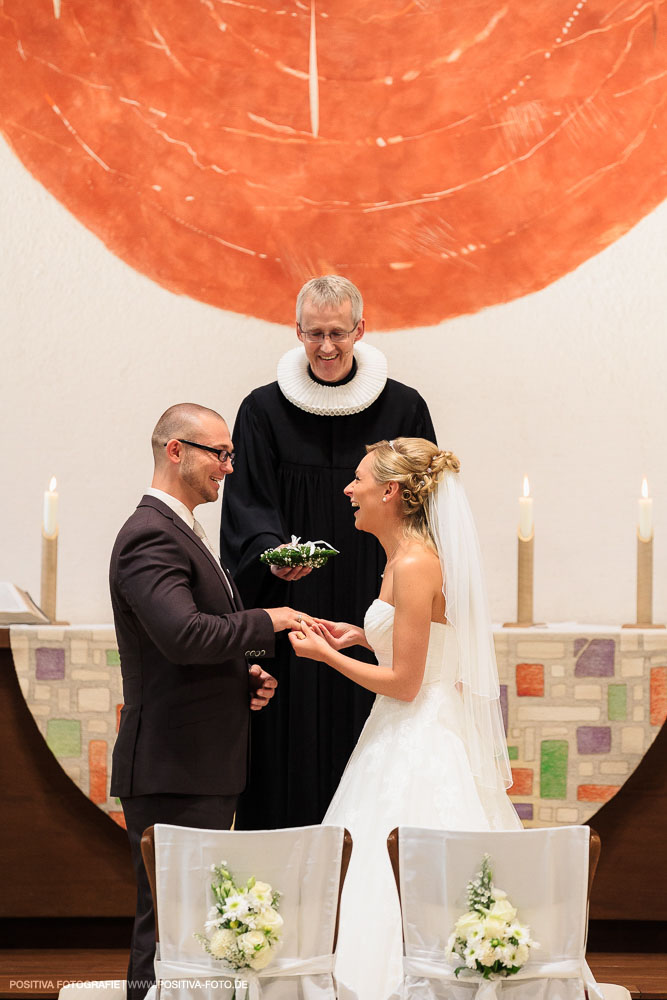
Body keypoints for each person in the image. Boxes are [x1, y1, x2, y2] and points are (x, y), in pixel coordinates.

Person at [289, 438, 522, 1000]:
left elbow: (408, 683)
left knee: (396, 858)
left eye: (359, 480)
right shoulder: (401, 558)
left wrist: (328, 656)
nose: (349, 490)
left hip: (421, 734)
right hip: (399, 726)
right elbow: (422, 644)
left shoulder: (416, 563)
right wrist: (363, 635)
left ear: (390, 491)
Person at [220, 276, 436, 829]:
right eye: (314, 333)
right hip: (294, 612)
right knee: (288, 761)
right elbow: (249, 509)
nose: (327, 346)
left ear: (361, 329)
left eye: (338, 332)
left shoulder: (404, 408)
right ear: (297, 332)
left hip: (378, 597)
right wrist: (274, 555)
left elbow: (424, 512)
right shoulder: (262, 411)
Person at [109, 403, 308, 1000]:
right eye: (217, 453)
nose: (228, 466)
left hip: (197, 763)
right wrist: (268, 620)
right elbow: (184, 634)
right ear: (176, 451)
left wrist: (240, 674)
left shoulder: (183, 530)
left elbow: (191, 644)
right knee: (166, 929)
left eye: (229, 454)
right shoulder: (149, 533)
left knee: (190, 925)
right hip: (173, 765)